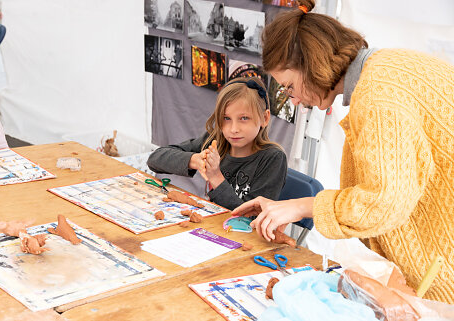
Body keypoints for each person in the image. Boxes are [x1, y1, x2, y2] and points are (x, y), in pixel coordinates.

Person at [232, 0, 454, 304]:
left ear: (312, 65)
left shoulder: (378, 95)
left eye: (289, 86)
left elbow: (382, 203)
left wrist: (300, 207)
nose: (293, 100)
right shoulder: (386, 70)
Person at [147, 77, 287, 210]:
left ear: (264, 118)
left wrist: (215, 177)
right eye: (226, 118)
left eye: (244, 118)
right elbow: (154, 159)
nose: (233, 129)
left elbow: (252, 219)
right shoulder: (215, 141)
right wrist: (195, 160)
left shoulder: (273, 159)